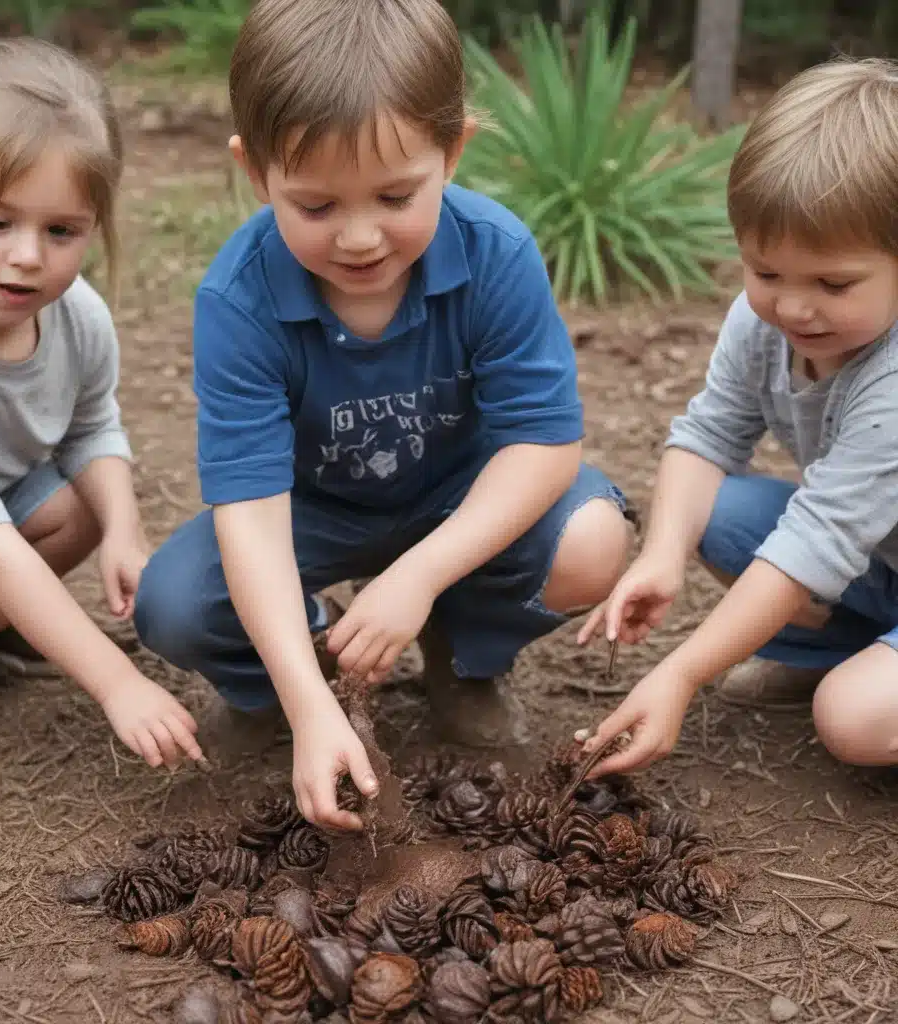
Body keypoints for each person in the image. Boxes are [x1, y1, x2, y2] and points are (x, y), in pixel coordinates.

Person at [133, 0, 635, 830]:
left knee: (590, 540)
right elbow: (252, 516)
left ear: (454, 150)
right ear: (255, 174)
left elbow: (543, 446)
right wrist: (305, 701)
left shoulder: (495, 252)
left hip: (459, 499)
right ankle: (299, 668)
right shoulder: (238, 297)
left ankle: (463, 656)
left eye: (396, 195)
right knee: (175, 603)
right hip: (313, 513)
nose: (360, 237)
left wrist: (420, 576)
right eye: (317, 207)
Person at [0, 38, 202, 770]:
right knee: (5, 564)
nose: (29, 255)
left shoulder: (76, 313)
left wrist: (124, 531)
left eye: (61, 231)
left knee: (82, 510)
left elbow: (93, 426)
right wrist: (117, 683)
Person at [578, 58, 898, 777]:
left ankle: (861, 676)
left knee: (855, 721)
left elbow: (818, 538)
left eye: (833, 283)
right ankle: (845, 652)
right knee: (716, 512)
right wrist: (663, 554)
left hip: (855, 544)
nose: (793, 307)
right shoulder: (764, 327)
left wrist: (681, 673)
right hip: (880, 561)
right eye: (766, 272)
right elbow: (706, 438)